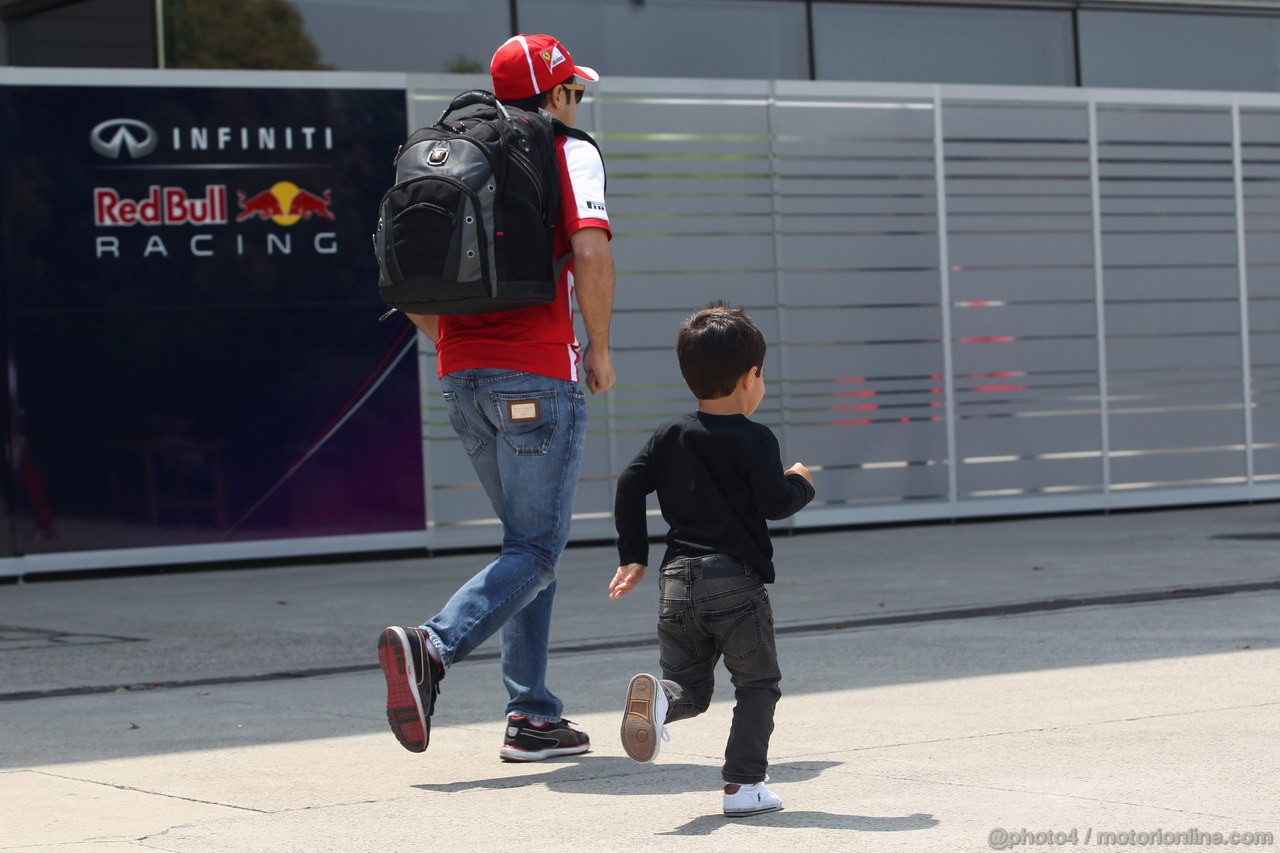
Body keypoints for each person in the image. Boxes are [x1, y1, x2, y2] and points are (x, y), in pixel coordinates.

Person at [378, 33, 616, 762]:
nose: (579, 102)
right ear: (556, 93)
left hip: (462, 378)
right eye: (575, 90)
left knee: (524, 546)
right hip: (538, 374)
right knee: (539, 549)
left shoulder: (445, 151)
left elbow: (399, 272)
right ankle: (433, 645)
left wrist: (455, 347)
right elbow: (591, 251)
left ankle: (532, 714)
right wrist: (599, 348)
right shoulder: (567, 148)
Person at [609, 302, 816, 816]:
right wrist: (801, 483)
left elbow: (629, 487)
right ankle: (743, 788)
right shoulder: (756, 439)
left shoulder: (669, 435)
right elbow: (775, 504)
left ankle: (661, 700)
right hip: (734, 584)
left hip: (675, 582)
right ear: (751, 378)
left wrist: (633, 555)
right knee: (757, 684)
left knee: (692, 690)